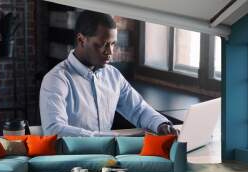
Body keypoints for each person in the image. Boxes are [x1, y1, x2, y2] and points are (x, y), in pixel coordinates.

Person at [39, 10, 178, 137]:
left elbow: (138, 109)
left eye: (113, 44)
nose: (110, 52)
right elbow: (54, 131)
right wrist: (106, 138)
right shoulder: (56, 79)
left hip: (107, 159)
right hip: (73, 161)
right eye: (103, 44)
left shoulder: (113, 76)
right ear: (81, 40)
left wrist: (161, 124)